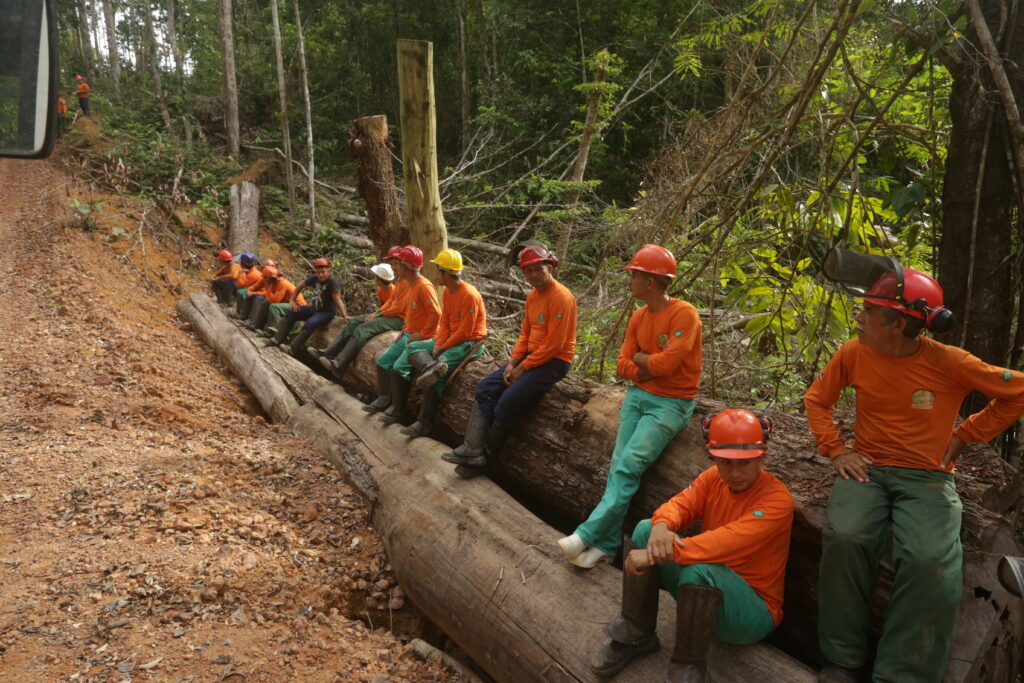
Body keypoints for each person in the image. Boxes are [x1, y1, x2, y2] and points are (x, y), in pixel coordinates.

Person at [805, 256, 1024, 683]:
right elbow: (817, 400)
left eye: (870, 311)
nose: (859, 316)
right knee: (846, 536)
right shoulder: (854, 352)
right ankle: (841, 660)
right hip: (867, 468)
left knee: (929, 562)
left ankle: (903, 675)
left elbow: (1017, 391)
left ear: (900, 324)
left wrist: (967, 434)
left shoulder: (948, 361)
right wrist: (836, 450)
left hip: (929, 476)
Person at [590, 409, 793, 682]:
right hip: (705, 586)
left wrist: (653, 554)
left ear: (761, 456)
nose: (734, 473)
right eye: (725, 462)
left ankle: (688, 667)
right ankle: (635, 635)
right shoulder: (712, 478)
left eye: (744, 463)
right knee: (645, 528)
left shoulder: (777, 500)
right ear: (713, 458)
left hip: (752, 612)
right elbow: (679, 506)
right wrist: (661, 527)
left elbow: (728, 541)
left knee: (699, 568)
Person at [558, 244, 702, 569]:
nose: (630, 281)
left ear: (650, 281)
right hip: (637, 396)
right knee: (617, 466)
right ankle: (608, 545)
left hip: (672, 404)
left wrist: (643, 361)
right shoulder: (638, 316)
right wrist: (644, 365)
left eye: (634, 275)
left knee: (629, 465)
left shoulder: (684, 314)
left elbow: (667, 366)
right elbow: (622, 364)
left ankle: (585, 534)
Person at [443, 241, 576, 479]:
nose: (534, 275)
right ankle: (472, 447)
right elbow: (525, 333)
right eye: (528, 270)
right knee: (485, 387)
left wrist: (523, 368)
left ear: (550, 266)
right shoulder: (533, 297)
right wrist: (513, 362)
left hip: (554, 361)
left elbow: (554, 345)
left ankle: (487, 459)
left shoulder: (562, 298)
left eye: (539, 268)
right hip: (530, 358)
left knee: (506, 404)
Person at [385, 248, 487, 437]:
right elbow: (445, 323)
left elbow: (465, 332)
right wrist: (438, 344)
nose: (435, 275)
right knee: (413, 346)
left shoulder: (469, 295)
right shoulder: (448, 292)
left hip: (469, 343)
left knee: (440, 368)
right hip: (449, 340)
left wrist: (442, 348)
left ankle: (425, 422)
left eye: (438, 271)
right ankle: (431, 368)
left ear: (446, 273)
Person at [363, 245, 441, 421]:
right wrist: (406, 327)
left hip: (423, 338)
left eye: (398, 264)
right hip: (408, 334)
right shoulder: (410, 285)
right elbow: (411, 312)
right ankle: (385, 399)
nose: (395, 268)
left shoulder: (424, 286)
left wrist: (422, 334)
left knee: (399, 367)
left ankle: (399, 411)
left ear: (405, 267)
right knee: (383, 362)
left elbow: (436, 313)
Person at [311, 246, 407, 378]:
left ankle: (339, 365)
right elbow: (388, 305)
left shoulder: (400, 284)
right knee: (354, 322)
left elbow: (397, 308)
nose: (393, 266)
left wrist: (378, 315)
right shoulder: (397, 282)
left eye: (395, 263)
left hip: (399, 318)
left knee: (362, 329)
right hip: (388, 314)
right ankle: (330, 352)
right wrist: (376, 314)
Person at [267, 257, 348, 355]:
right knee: (292, 312)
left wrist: (344, 315)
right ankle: (277, 340)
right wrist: (292, 300)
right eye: (318, 272)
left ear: (329, 271)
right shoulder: (315, 278)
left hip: (326, 312)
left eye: (323, 272)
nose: (320, 275)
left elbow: (337, 299)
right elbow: (300, 285)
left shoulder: (332, 282)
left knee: (310, 322)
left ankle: (292, 348)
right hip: (314, 309)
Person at [242, 266, 306, 332]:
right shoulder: (274, 283)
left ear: (271, 278)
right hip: (288, 302)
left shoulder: (282, 284)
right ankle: (257, 326)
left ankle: (270, 332)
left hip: (297, 305)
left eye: (265, 278)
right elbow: (269, 298)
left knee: (274, 307)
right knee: (265, 303)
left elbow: (275, 300)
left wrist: (268, 287)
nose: (264, 279)